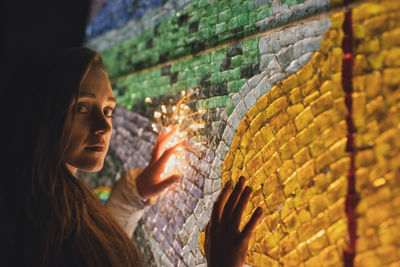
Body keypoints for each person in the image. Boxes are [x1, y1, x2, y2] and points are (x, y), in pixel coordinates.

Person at [2, 46, 262, 266]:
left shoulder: (50, 200)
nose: (103, 127)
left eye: (107, 110)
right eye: (82, 107)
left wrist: (133, 193)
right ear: (40, 114)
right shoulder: (39, 231)